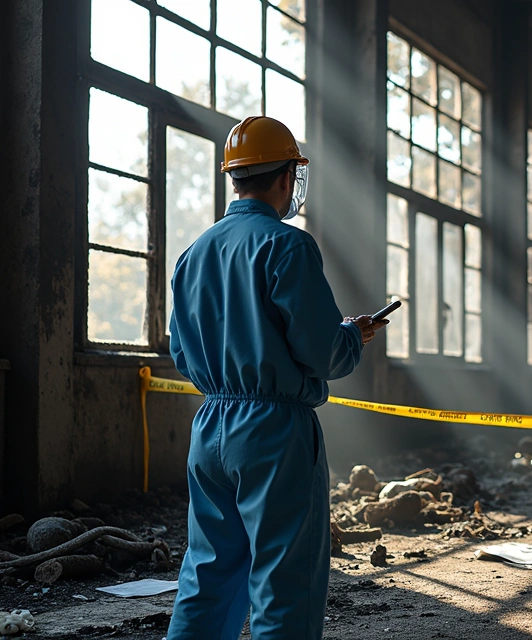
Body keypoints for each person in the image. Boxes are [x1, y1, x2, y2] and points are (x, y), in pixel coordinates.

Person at [167, 116, 387, 639]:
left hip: (211, 426)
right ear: (288, 177)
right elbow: (323, 354)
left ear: (235, 176)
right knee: (285, 580)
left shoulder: (193, 254)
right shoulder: (288, 246)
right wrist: (353, 336)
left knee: (208, 572)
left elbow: (180, 351)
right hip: (273, 432)